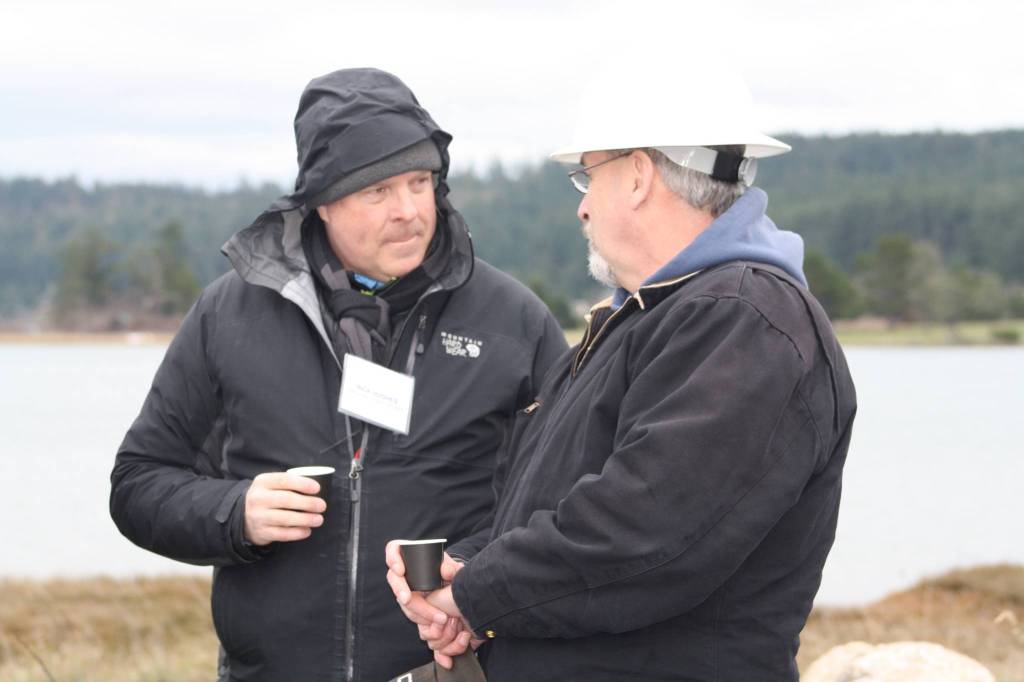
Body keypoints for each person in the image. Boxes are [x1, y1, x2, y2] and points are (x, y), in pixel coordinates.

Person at [386, 63, 857, 681]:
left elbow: (641, 533)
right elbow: (540, 507)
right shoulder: (646, 317)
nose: (582, 208)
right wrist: (466, 569)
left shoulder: (743, 322)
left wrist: (479, 594)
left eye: (589, 176)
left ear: (637, 175)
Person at [109, 68, 567, 682]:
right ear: (321, 201)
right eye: (377, 191)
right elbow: (137, 484)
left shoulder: (515, 323)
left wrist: (472, 567)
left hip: (455, 671)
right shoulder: (230, 315)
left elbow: (565, 505)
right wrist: (234, 511)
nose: (408, 211)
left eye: (419, 182)